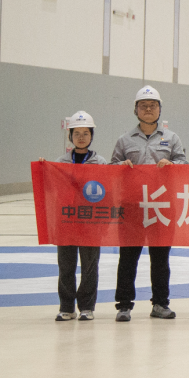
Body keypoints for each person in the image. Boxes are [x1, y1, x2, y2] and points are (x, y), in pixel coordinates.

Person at [110, 85, 185, 322]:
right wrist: (120, 167)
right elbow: (111, 169)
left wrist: (172, 165)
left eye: (153, 105)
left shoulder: (171, 138)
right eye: (143, 106)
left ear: (160, 109)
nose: (148, 109)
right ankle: (124, 305)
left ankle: (160, 304)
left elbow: (184, 165)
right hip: (132, 208)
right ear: (136, 110)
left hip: (161, 208)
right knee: (127, 258)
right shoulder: (124, 140)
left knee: (160, 259)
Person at [43, 111, 107, 322]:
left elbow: (108, 191)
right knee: (66, 265)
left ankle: (87, 307)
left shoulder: (100, 162)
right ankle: (67, 307)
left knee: (90, 266)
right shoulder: (60, 162)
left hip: (91, 222)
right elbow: (51, 190)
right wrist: (45, 169)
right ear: (70, 135)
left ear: (91, 135)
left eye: (85, 133)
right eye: (76, 133)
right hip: (67, 221)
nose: (81, 137)